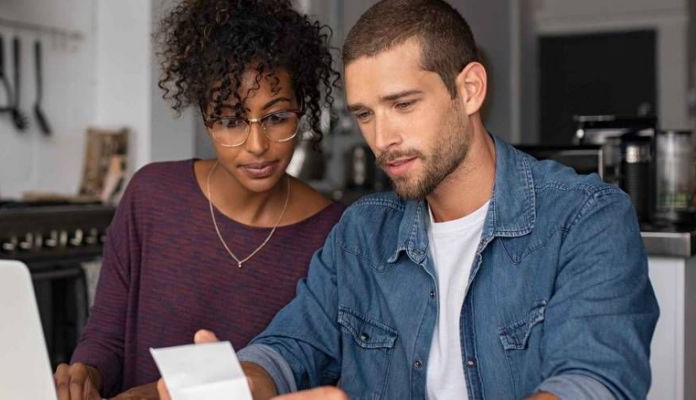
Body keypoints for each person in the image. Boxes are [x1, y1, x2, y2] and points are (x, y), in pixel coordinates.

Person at [159, 0, 660, 399]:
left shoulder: (585, 217)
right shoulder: (362, 233)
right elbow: (292, 345)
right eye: (365, 114)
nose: (382, 137)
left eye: (402, 104)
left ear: (469, 89)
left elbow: (594, 384)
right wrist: (241, 382)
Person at [53, 0, 343, 398]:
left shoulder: (336, 235)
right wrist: (86, 373)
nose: (257, 145)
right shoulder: (151, 196)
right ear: (205, 118)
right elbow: (106, 337)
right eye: (230, 120)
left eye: (276, 117)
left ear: (302, 110)